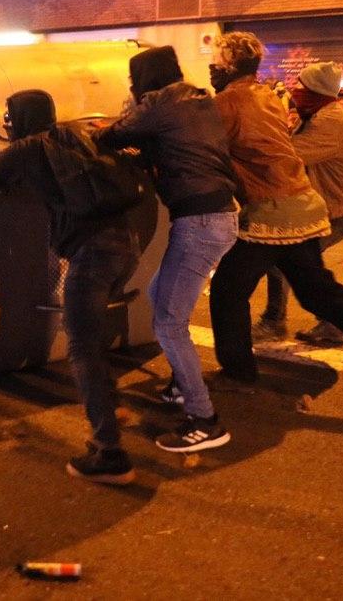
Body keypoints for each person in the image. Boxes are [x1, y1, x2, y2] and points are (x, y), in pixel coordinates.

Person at [207, 32, 343, 412]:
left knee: (228, 288)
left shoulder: (226, 103)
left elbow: (201, 146)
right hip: (303, 204)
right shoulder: (267, 97)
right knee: (320, 293)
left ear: (227, 66)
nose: (209, 68)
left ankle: (239, 372)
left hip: (271, 211)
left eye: (214, 61)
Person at [0, 90, 143, 485]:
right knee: (91, 336)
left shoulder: (26, 148)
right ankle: (111, 405)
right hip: (125, 246)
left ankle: (110, 452)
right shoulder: (74, 135)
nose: (7, 123)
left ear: (18, 118)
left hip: (92, 254)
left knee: (81, 346)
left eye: (9, 117)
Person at [98, 46, 240, 452]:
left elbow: (112, 134)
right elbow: (177, 147)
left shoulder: (161, 102)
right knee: (162, 294)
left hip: (199, 224)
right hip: (217, 217)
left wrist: (110, 129)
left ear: (143, 79)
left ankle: (204, 419)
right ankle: (181, 385)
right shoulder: (197, 99)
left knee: (168, 323)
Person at [251, 63, 343, 347]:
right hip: (329, 206)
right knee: (297, 265)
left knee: (292, 263)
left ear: (315, 91)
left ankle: (280, 322)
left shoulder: (329, 121)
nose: (295, 91)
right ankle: (316, 323)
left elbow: (289, 156)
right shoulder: (316, 114)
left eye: (301, 86)